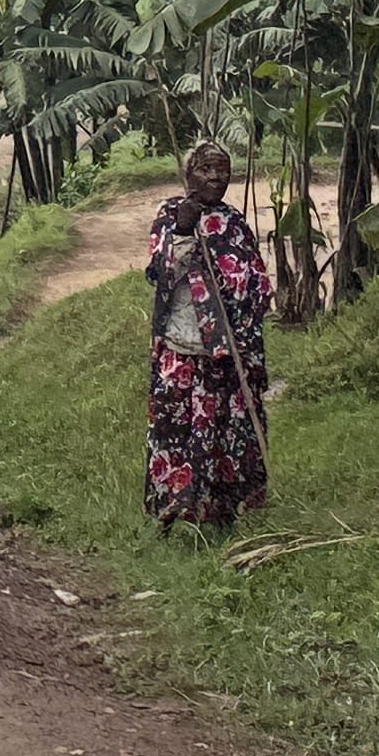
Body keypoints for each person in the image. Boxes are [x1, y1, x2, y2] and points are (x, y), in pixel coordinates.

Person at [143, 139, 271, 531]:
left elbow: (256, 283)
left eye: (222, 170)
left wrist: (241, 310)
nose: (216, 178)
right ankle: (175, 508)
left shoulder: (234, 222)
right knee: (178, 430)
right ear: (188, 174)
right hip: (182, 346)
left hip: (227, 352)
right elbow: (159, 273)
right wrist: (184, 228)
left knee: (223, 433)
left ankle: (221, 513)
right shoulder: (171, 216)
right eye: (206, 169)